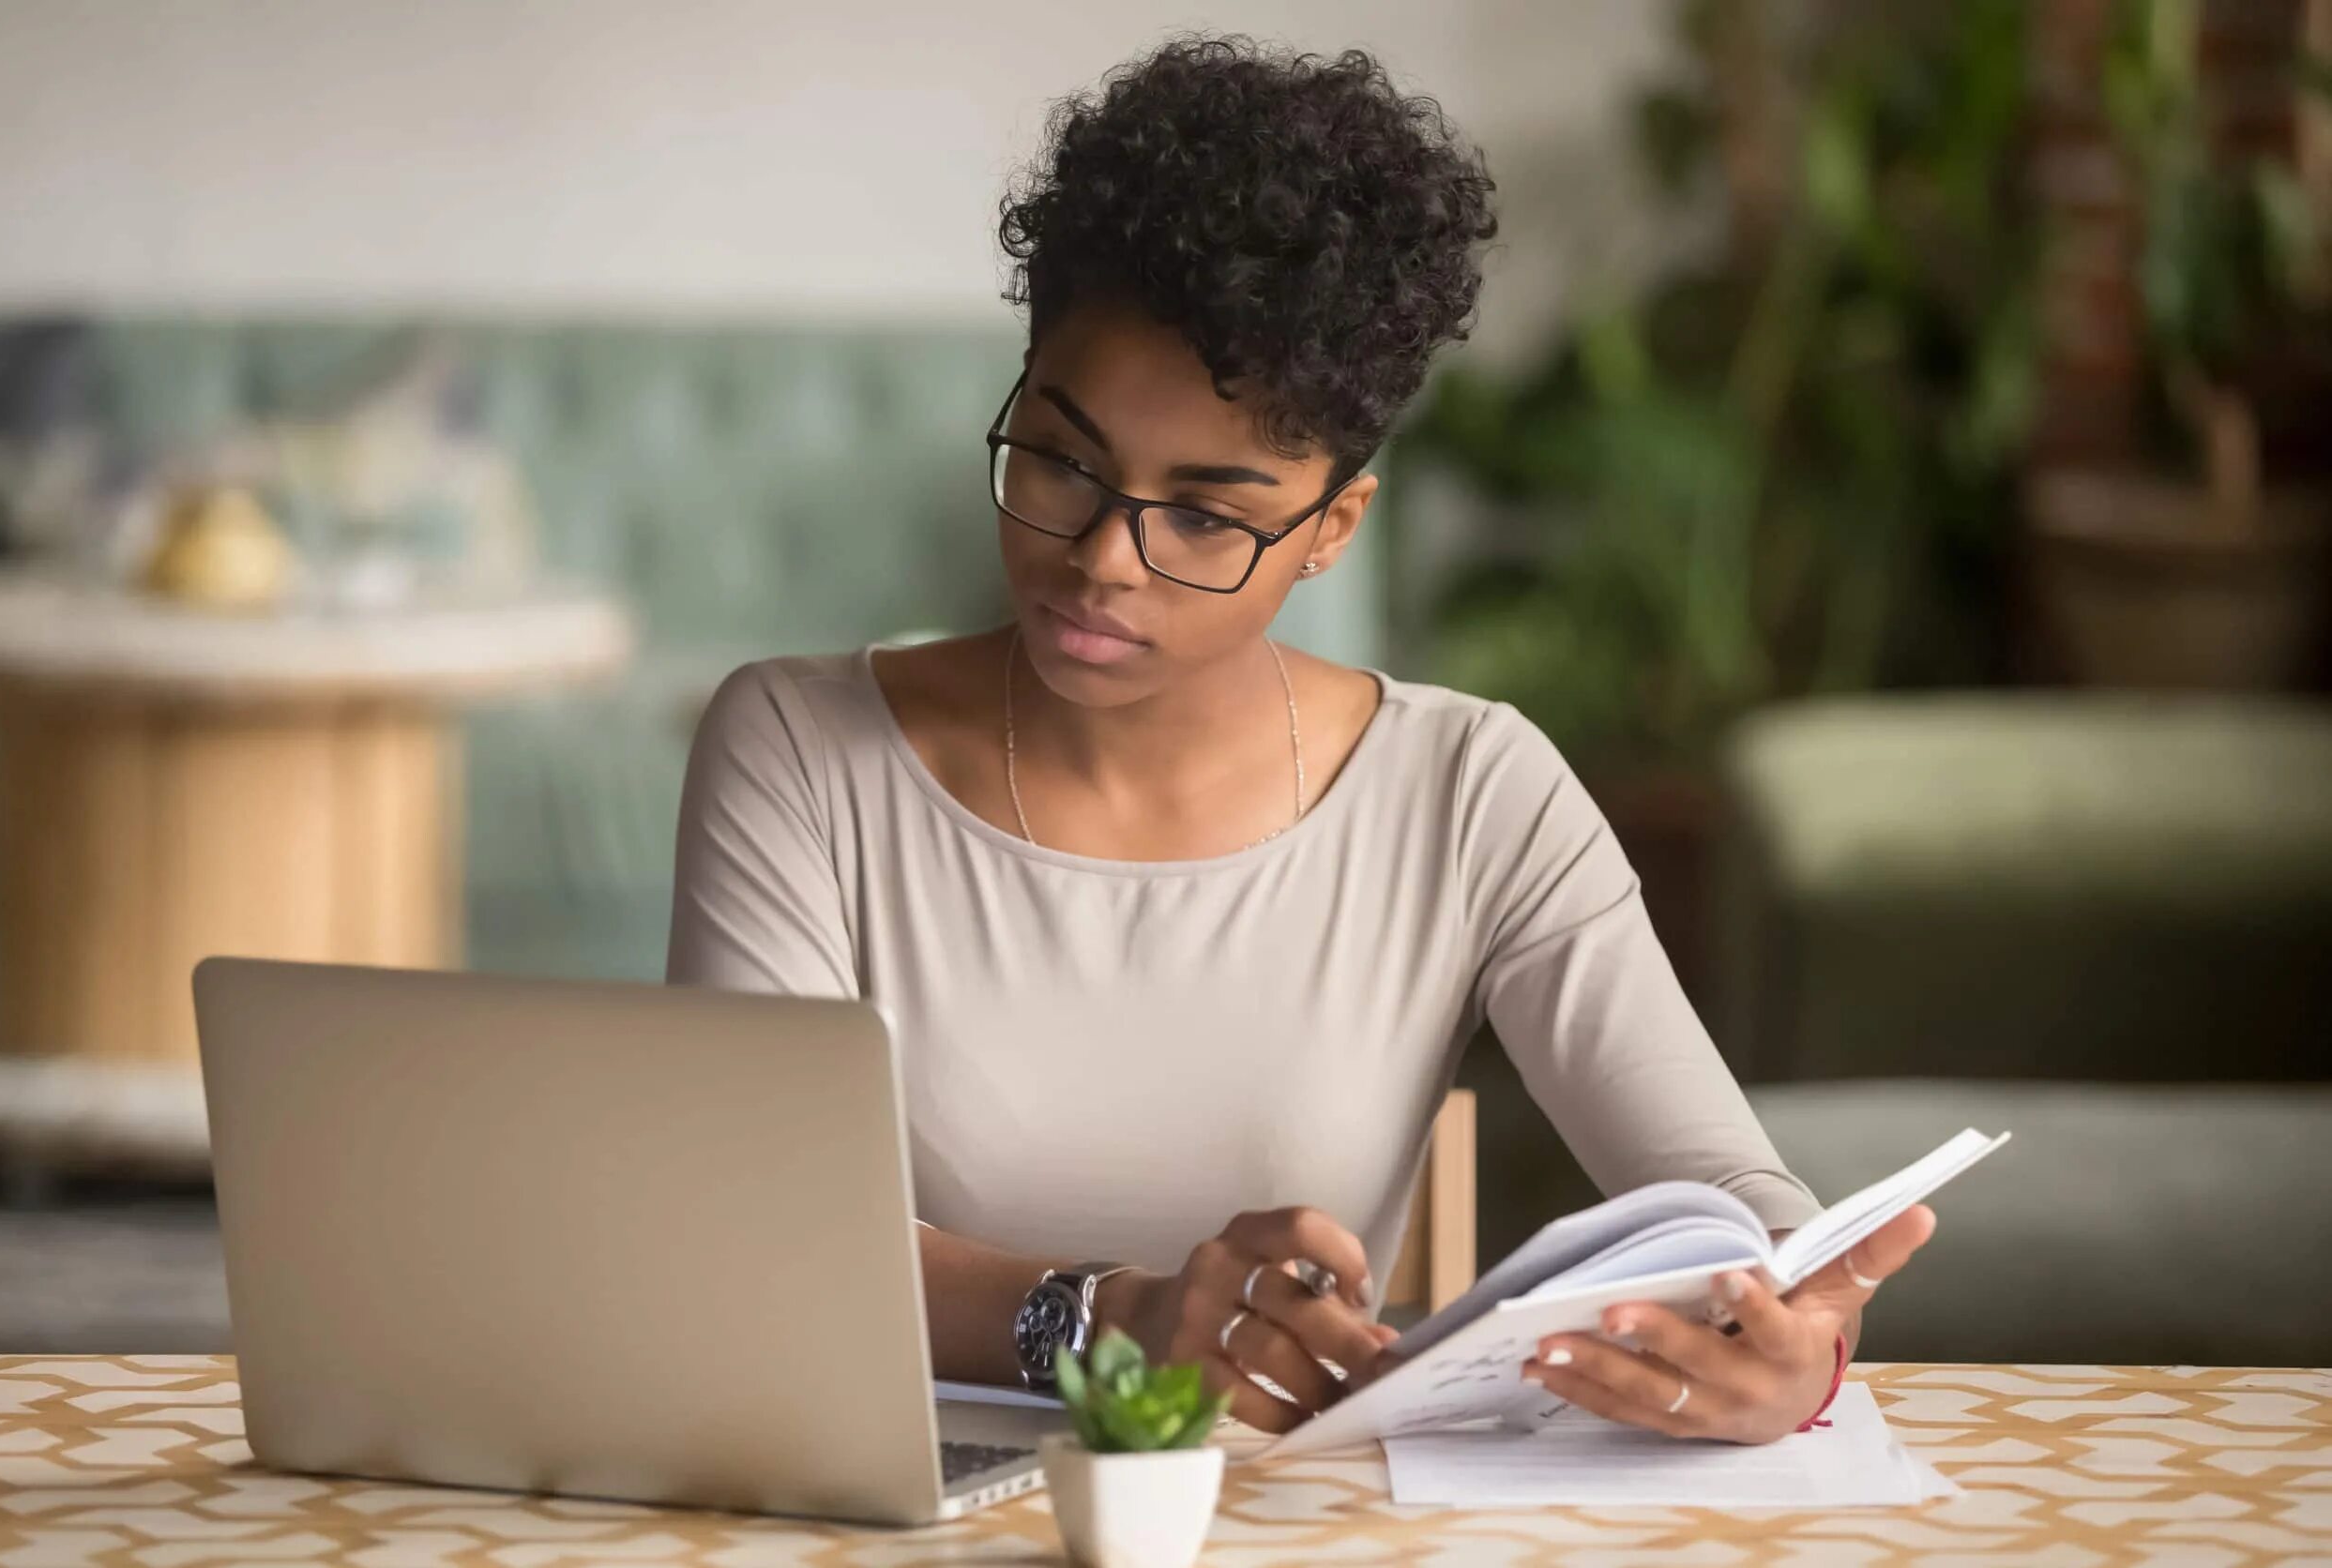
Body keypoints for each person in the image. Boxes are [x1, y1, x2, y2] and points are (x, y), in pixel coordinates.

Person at [669, 36, 1932, 1441]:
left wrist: (1796, 1336)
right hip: (888, 1512)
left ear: (1332, 529)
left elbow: (1728, 1190)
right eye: (1060, 458)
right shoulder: (795, 750)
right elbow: (752, 1231)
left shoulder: (1471, 792)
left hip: (1298, 1520)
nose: (1103, 559)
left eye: (1206, 513)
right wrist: (1106, 1321)